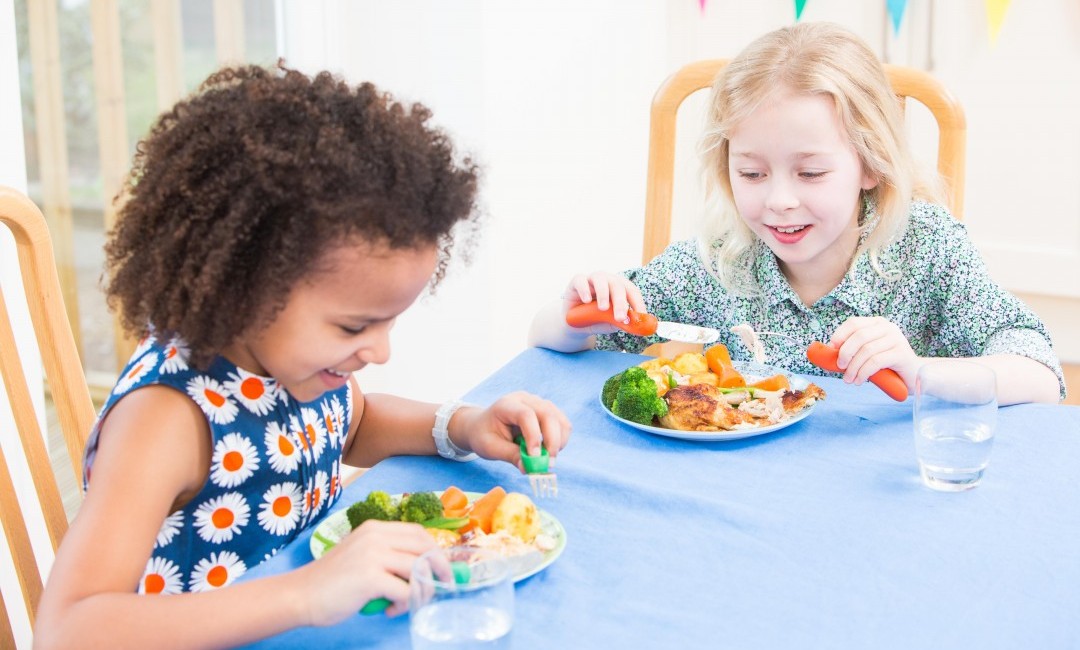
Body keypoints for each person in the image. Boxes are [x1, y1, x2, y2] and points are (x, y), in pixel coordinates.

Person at [34, 64, 571, 649]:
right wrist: (307, 593)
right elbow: (67, 629)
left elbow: (353, 425)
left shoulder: (296, 366)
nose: (380, 350)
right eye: (354, 325)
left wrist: (464, 425)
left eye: (390, 322)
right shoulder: (167, 418)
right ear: (246, 285)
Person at [529, 22, 1063, 406]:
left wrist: (920, 372)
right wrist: (579, 311)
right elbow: (551, 336)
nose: (779, 200)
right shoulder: (717, 261)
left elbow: (1041, 374)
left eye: (810, 173)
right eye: (753, 174)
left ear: (870, 166)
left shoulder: (929, 248)